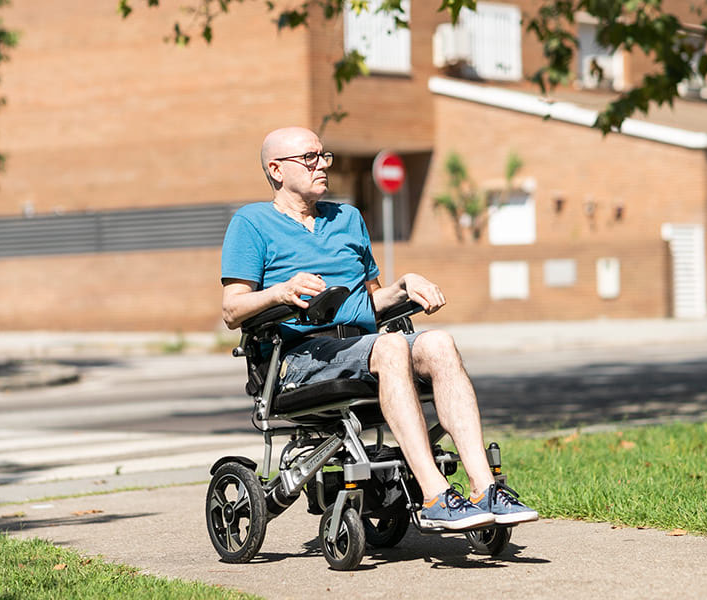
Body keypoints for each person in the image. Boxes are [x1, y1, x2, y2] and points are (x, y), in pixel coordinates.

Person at [221, 126, 538, 531]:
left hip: (361, 347)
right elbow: (232, 310)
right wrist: (281, 292)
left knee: (439, 342)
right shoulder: (251, 223)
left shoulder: (348, 218)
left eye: (324, 156)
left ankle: (484, 488)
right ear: (276, 169)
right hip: (298, 357)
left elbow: (370, 302)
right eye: (310, 158)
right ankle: (436, 496)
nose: (322, 165)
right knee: (389, 348)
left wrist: (404, 285)